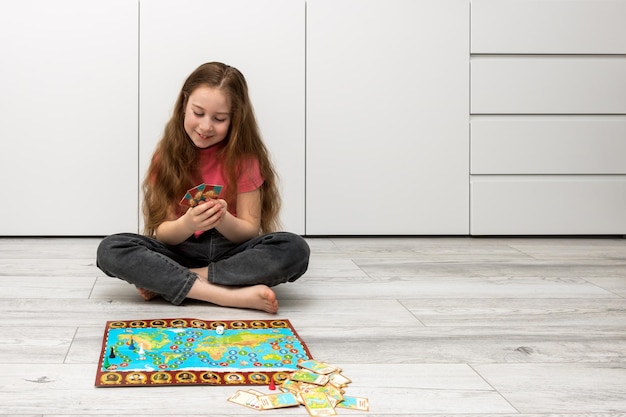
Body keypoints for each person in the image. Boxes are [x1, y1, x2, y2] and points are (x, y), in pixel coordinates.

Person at [96, 62, 310, 314]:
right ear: (184, 106)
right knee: (110, 249)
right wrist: (189, 224)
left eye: (219, 119)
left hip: (232, 252)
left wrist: (222, 219)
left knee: (294, 249)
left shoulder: (245, 158)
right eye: (198, 113)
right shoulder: (166, 157)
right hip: (179, 249)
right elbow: (164, 233)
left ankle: (178, 280)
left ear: (235, 119)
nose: (206, 127)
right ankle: (225, 295)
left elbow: (249, 232)